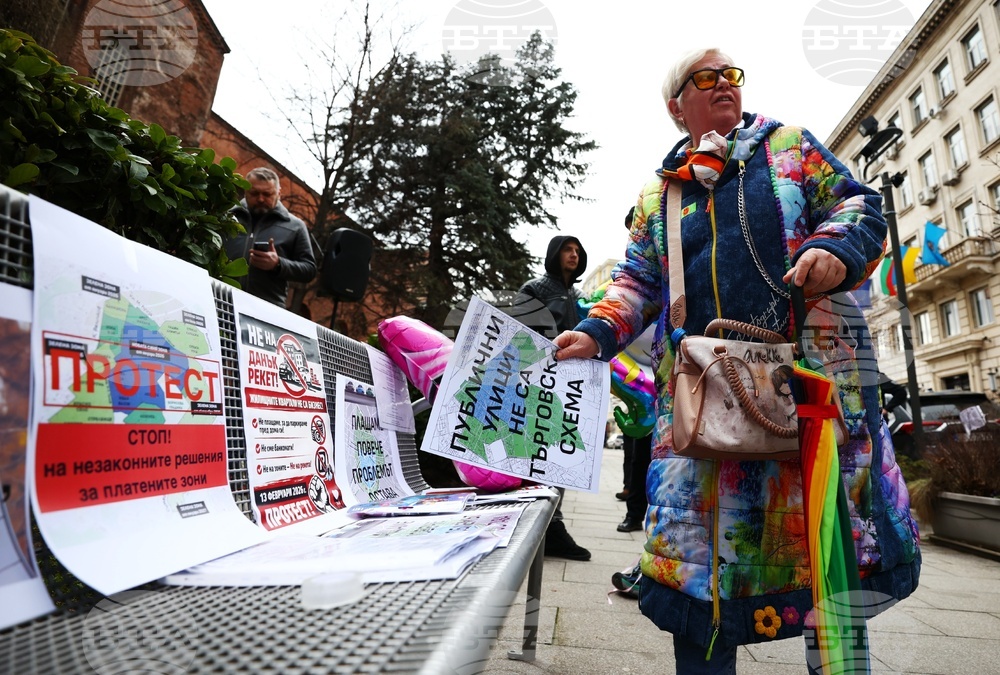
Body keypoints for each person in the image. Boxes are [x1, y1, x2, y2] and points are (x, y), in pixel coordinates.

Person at [553, 48, 921, 673]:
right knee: (697, 569)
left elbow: (858, 205)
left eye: (732, 75)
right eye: (707, 77)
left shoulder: (791, 147)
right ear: (677, 107)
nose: (725, 84)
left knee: (830, 559)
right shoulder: (657, 193)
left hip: (810, 397)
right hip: (701, 407)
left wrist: (835, 246)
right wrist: (595, 331)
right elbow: (636, 281)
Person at [515, 235, 592, 562]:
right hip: (540, 378)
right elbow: (519, 330)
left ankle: (552, 524)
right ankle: (533, 523)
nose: (573, 255)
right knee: (533, 449)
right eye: (567, 250)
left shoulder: (580, 295)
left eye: (578, 250)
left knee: (559, 451)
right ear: (553, 254)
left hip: (570, 382)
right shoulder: (534, 288)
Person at [225, 167, 317, 307]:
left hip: (267, 308)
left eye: (267, 194)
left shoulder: (295, 226)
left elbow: (309, 270)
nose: (261, 199)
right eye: (254, 193)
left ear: (279, 193)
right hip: (222, 297)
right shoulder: (226, 217)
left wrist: (278, 264)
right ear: (245, 191)